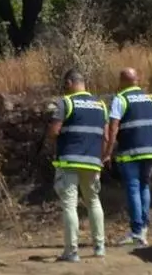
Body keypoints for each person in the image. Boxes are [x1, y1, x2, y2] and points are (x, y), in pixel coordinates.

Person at [44, 70, 109, 262]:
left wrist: (52, 137)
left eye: (66, 84)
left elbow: (54, 131)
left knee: (69, 205)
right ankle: (99, 247)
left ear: (71, 82)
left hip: (69, 160)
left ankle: (71, 251)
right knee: (94, 201)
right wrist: (103, 157)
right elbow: (105, 136)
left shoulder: (66, 102)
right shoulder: (101, 105)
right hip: (92, 160)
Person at [107, 68, 152, 247]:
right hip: (151, 150)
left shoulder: (120, 99)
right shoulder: (151, 99)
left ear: (122, 80)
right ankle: (143, 229)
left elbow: (113, 126)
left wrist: (108, 151)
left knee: (133, 188)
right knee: (145, 187)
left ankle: (136, 231)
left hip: (130, 151)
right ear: (137, 79)